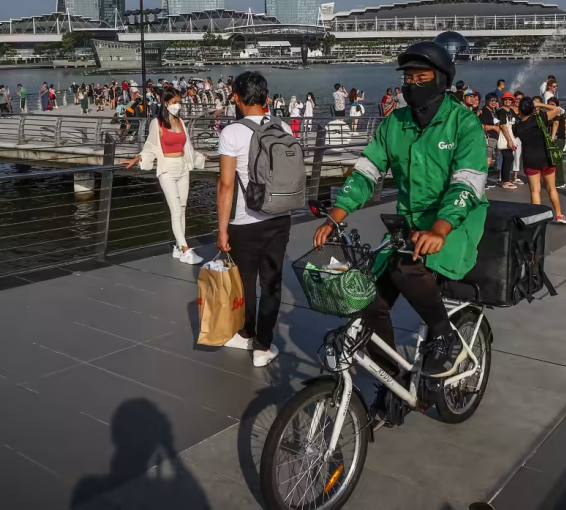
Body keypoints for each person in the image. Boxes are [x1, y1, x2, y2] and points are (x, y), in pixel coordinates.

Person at [313, 41, 488, 390]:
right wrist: (337, 213)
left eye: (421, 76)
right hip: (407, 227)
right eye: (408, 77)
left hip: (454, 226)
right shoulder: (395, 123)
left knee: (405, 267)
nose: (412, 84)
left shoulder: (463, 123)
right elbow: (366, 170)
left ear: (441, 79)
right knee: (365, 301)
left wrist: (440, 228)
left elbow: (467, 184)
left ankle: (446, 337)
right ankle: (394, 382)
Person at [217, 72, 294, 368]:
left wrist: (222, 229)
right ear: (265, 97)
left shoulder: (231, 133)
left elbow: (225, 185)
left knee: (245, 281)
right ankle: (263, 346)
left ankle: (246, 332)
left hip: (244, 220)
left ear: (236, 98)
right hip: (279, 216)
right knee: (272, 283)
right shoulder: (283, 126)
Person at [123, 87, 205, 265]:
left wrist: (199, 156)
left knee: (182, 208)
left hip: (183, 167)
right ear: (166, 103)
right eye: (175, 102)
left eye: (179, 101)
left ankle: (178, 246)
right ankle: (186, 250)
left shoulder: (181, 122)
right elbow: (150, 146)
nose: (178, 105)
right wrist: (137, 158)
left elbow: (187, 147)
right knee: (175, 210)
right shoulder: (157, 123)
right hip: (167, 169)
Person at [514, 97, 566, 224]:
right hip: (545, 158)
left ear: (520, 110)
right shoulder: (540, 119)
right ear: (532, 108)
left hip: (530, 160)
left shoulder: (517, 127)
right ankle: (559, 215)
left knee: (535, 190)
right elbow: (559, 110)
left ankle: (537, 218)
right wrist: (539, 104)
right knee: (551, 188)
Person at [496, 92, 519, 188]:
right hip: (504, 137)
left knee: (509, 158)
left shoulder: (511, 111)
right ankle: (505, 181)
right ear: (502, 101)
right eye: (506, 99)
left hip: (511, 136)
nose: (508, 101)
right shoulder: (501, 111)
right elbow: (502, 125)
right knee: (508, 157)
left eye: (510, 99)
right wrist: (509, 140)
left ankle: (505, 180)